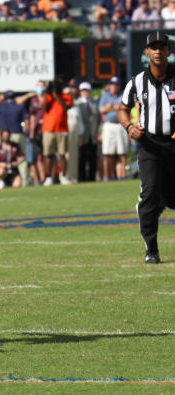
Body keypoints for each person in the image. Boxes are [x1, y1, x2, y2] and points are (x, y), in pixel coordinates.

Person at [118, 32, 175, 264]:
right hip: (149, 144)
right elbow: (122, 109)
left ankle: (163, 199)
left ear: (169, 51)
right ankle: (151, 248)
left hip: (173, 144)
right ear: (146, 52)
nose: (158, 51)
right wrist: (129, 126)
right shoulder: (137, 81)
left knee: (171, 197)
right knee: (149, 193)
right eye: (153, 47)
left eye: (162, 47)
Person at [40, 77, 73, 186]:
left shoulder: (66, 96)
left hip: (62, 129)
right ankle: (48, 177)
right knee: (48, 154)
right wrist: (46, 93)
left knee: (62, 154)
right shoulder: (48, 97)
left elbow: (66, 107)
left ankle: (63, 176)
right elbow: (44, 108)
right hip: (48, 129)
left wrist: (56, 95)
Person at [99, 76, 128, 181]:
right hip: (109, 125)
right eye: (112, 84)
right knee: (107, 152)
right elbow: (101, 109)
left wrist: (111, 107)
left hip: (121, 125)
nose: (113, 87)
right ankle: (107, 176)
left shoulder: (123, 94)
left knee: (122, 152)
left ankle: (123, 175)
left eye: (115, 85)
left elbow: (125, 107)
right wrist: (115, 107)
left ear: (119, 86)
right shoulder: (105, 95)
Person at [76, 82, 101, 182]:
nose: (85, 92)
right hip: (82, 135)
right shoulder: (76, 103)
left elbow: (98, 119)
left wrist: (98, 133)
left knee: (92, 157)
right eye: (83, 90)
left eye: (86, 90)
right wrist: (79, 136)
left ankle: (92, 178)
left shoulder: (95, 103)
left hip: (93, 134)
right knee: (81, 157)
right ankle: (81, 178)